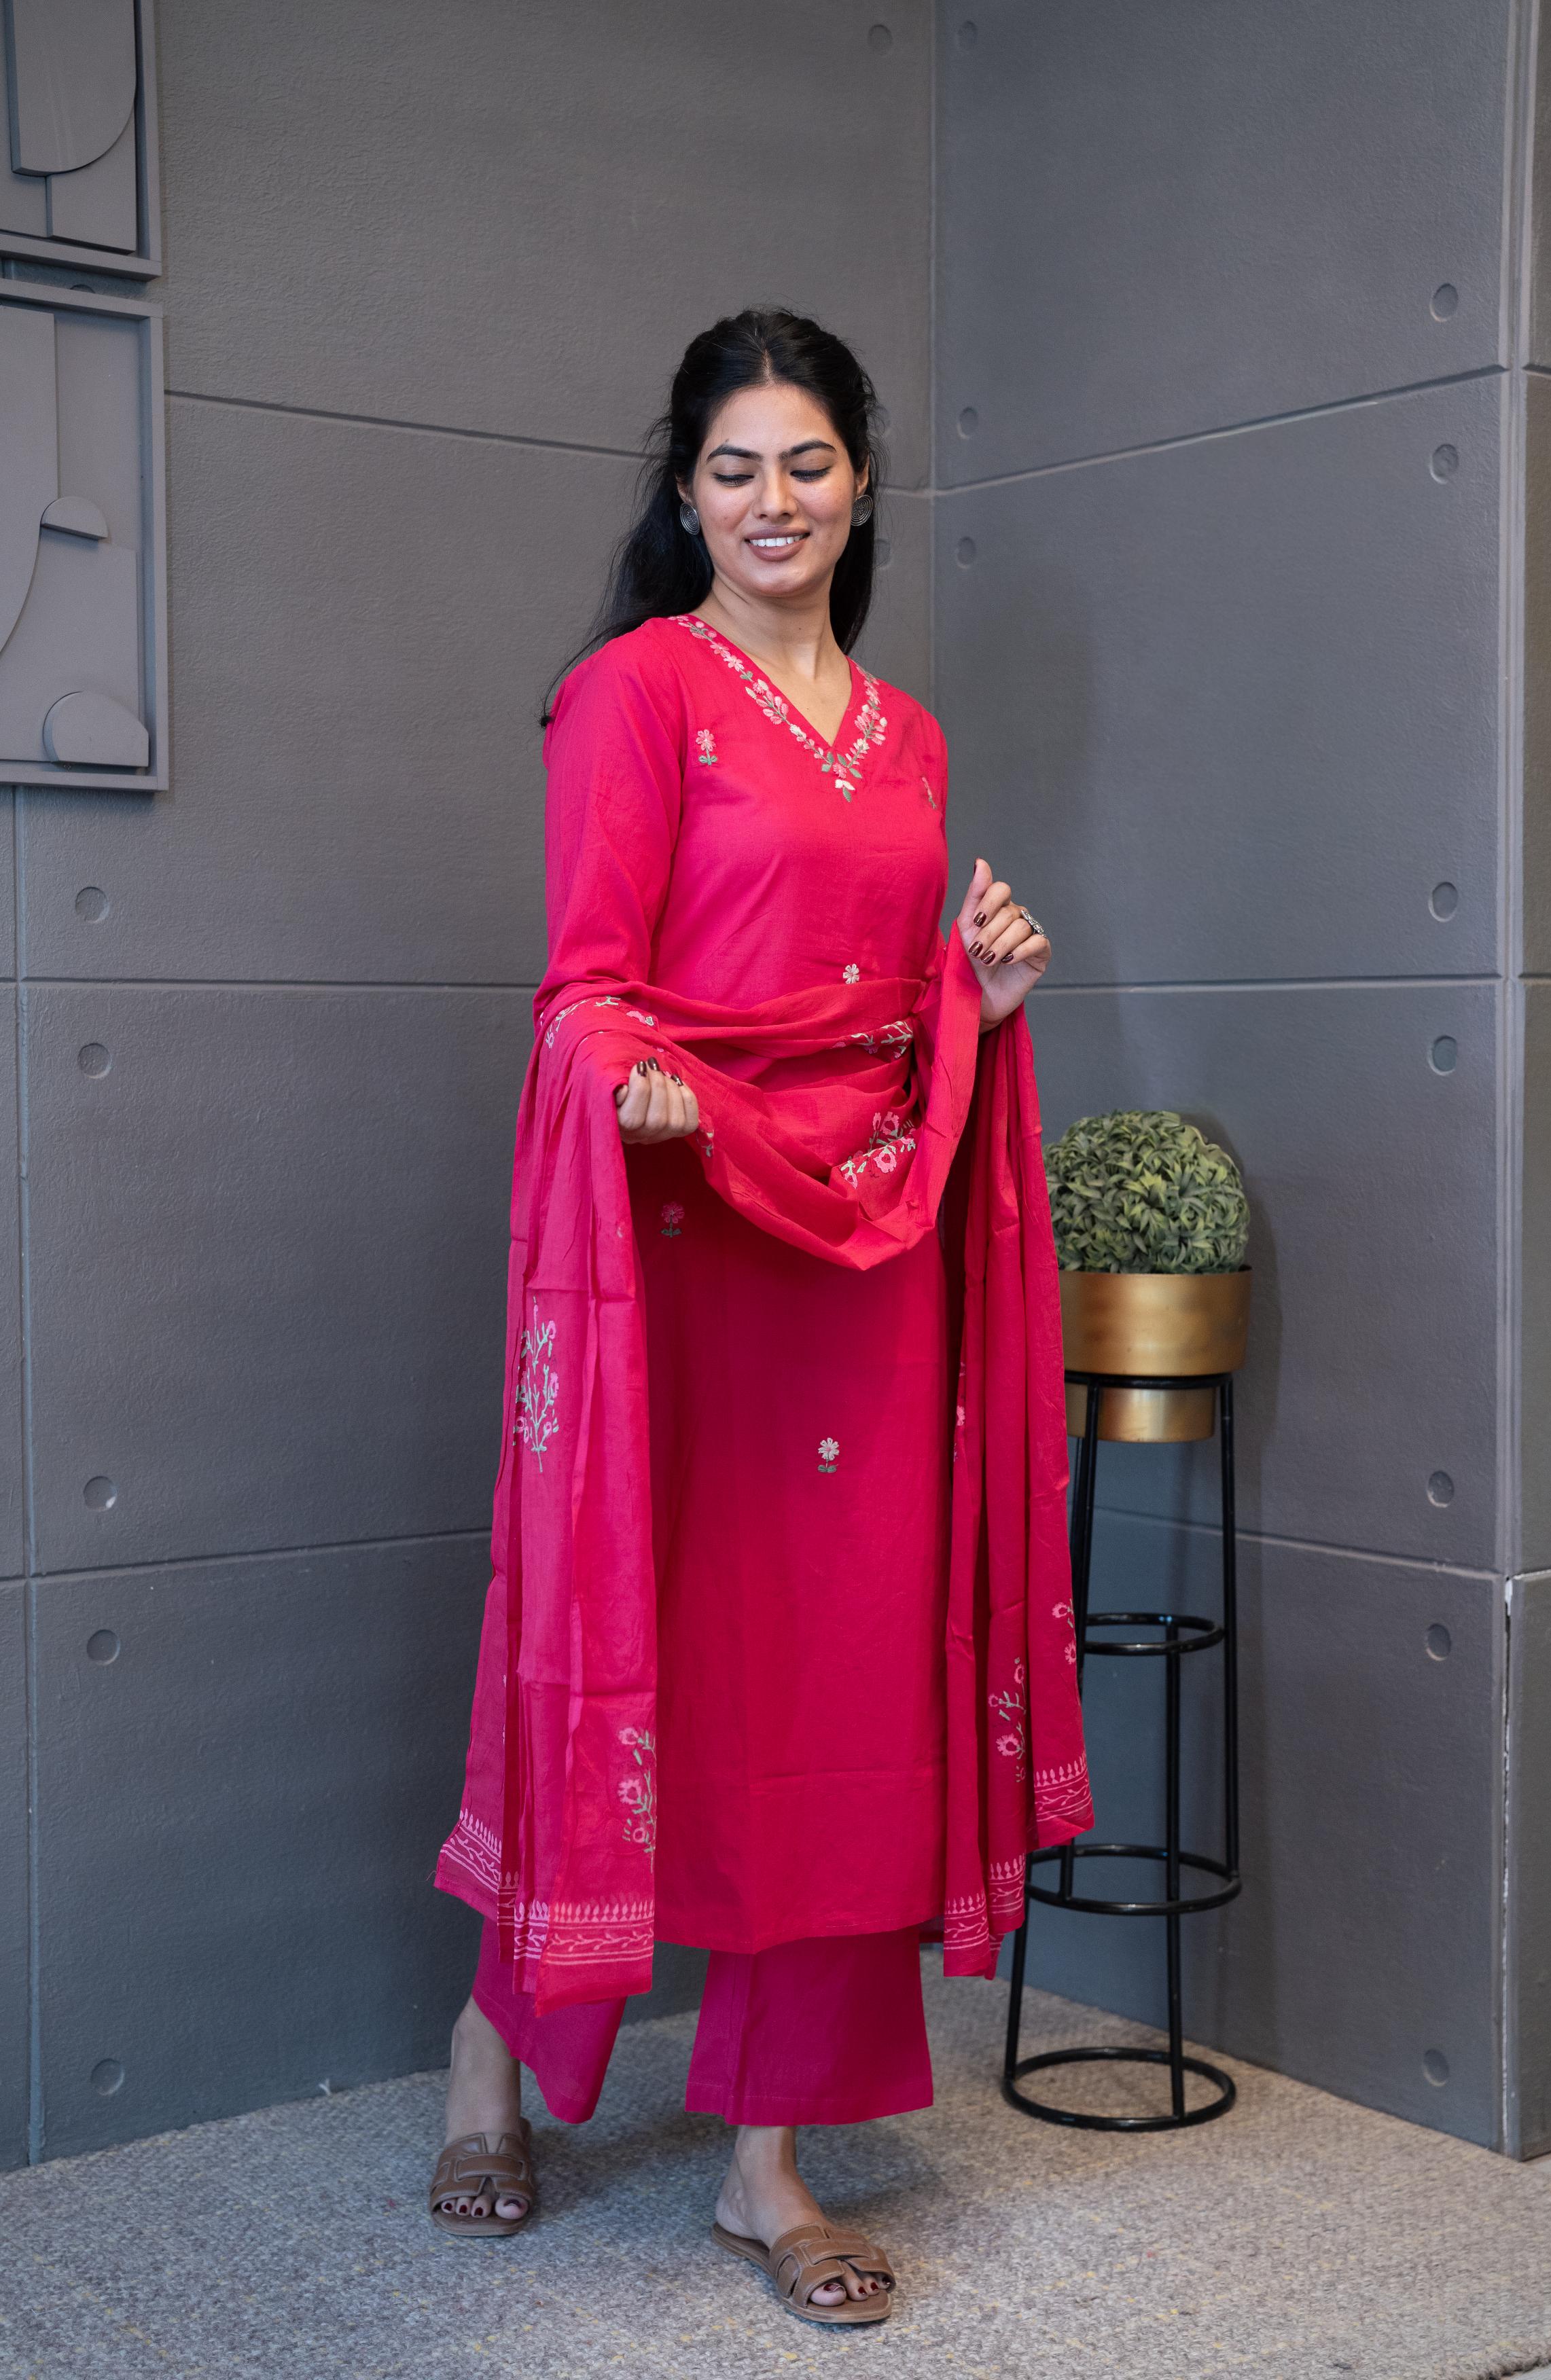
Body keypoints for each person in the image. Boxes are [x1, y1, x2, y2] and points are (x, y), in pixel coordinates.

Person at [428, 308, 1091, 2328]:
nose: (772, 502)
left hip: (862, 1270)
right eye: (734, 469)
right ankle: (496, 2063)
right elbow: (587, 986)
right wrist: (633, 1083)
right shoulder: (633, 697)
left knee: (830, 1700)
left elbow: (899, 1017)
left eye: (806, 466)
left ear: (861, 485)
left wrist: (982, 999)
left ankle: (766, 2168)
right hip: (691, 1243)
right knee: (625, 1655)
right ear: (685, 492)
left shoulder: (909, 739)